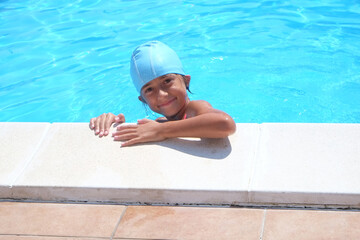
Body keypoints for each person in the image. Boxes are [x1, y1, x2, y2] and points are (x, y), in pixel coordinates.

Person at [89, 40, 236, 147]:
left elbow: (225, 124)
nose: (161, 95)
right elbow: (144, 130)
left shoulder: (194, 109)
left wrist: (162, 131)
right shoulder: (159, 122)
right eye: (149, 89)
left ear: (186, 81)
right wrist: (112, 121)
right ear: (143, 100)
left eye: (167, 81)